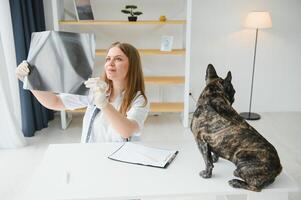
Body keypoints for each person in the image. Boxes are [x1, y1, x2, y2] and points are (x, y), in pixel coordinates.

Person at [16, 42, 149, 143]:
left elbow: (127, 131)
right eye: (108, 59)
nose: (110, 63)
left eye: (118, 59)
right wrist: (30, 81)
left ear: (132, 65)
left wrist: (104, 104)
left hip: (120, 162)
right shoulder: (95, 89)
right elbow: (55, 102)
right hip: (90, 157)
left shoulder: (139, 99)